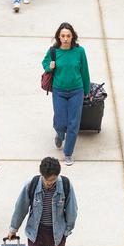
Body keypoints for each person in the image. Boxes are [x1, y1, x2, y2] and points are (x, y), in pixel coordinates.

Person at [7, 157, 77, 246]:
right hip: (35, 233)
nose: (49, 183)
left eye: (53, 179)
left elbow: (72, 210)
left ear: (58, 175)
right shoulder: (32, 184)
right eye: (46, 179)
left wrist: (67, 231)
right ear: (41, 174)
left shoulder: (65, 185)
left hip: (57, 235)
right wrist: (13, 229)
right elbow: (20, 208)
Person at [41, 23, 90, 166]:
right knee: (61, 121)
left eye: (68, 36)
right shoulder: (53, 51)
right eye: (62, 36)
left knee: (73, 123)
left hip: (77, 90)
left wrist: (86, 90)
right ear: (58, 36)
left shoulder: (80, 51)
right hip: (59, 91)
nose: (65, 38)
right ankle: (59, 134)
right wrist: (49, 67)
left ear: (72, 36)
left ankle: (68, 153)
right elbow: (44, 63)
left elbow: (84, 71)